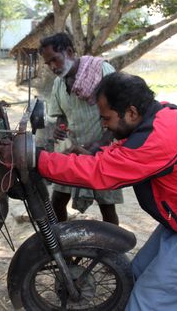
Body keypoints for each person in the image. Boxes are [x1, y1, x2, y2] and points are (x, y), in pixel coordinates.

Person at [29, 72, 177, 310]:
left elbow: (100, 172)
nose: (103, 125)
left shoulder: (158, 138)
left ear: (131, 112)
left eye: (106, 118)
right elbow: (119, 155)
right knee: (133, 277)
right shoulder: (157, 116)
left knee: (146, 304)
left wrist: (38, 159)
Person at [39, 32, 123, 224]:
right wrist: (60, 128)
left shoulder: (102, 70)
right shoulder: (59, 84)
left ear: (69, 52)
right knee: (57, 202)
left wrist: (99, 145)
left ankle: (110, 252)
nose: (53, 67)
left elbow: (119, 112)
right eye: (48, 63)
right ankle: (63, 248)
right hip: (73, 153)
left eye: (55, 60)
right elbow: (60, 114)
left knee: (107, 208)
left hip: (102, 153)